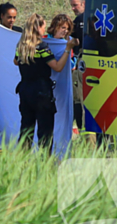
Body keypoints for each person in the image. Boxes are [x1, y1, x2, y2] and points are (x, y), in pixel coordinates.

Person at [14, 13, 79, 151]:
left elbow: (15, 61)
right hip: (41, 92)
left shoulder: (21, 46)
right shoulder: (42, 47)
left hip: (24, 91)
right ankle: (45, 164)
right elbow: (58, 67)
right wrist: (67, 49)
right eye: (43, 27)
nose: (44, 30)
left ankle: (19, 163)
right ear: (38, 28)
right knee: (45, 132)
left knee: (26, 130)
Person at [69, 0, 86, 133]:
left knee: (78, 98)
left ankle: (82, 129)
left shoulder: (79, 20)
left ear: (84, 4)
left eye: (75, 5)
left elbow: (72, 41)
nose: (73, 9)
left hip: (82, 62)